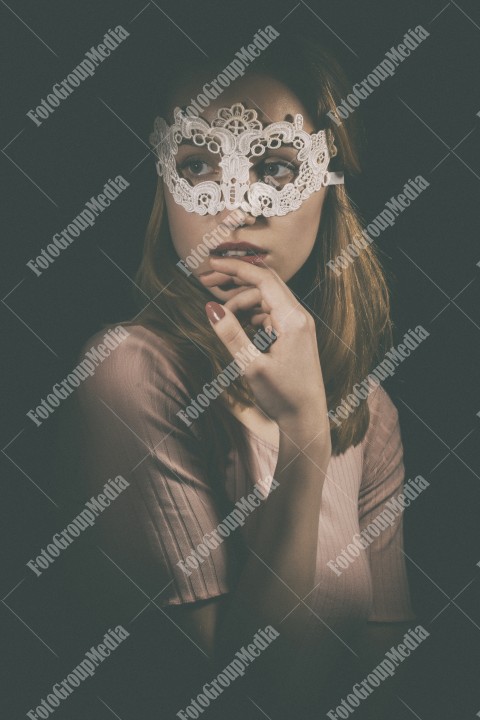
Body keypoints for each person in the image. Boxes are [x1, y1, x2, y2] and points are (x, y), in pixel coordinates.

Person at [68, 30, 416, 719]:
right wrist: (305, 442)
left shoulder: (370, 409)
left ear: (329, 182)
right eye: (197, 163)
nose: (240, 204)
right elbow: (233, 704)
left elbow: (390, 687)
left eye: (278, 168)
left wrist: (324, 417)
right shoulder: (127, 376)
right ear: (162, 183)